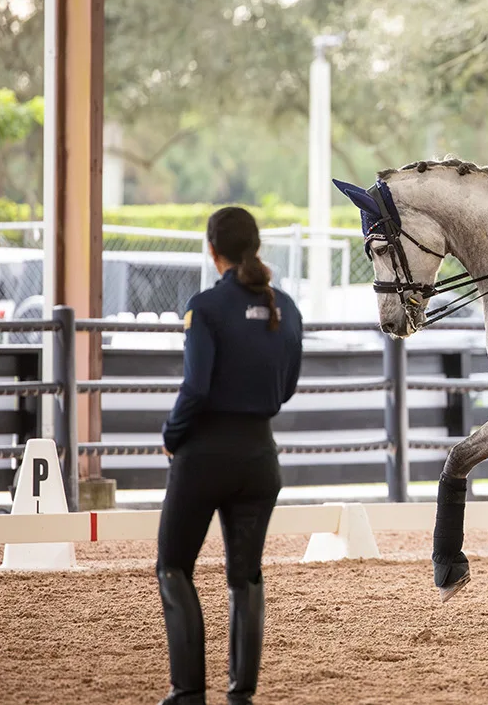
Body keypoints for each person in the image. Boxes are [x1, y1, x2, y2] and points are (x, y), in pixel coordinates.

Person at [156, 207, 303, 705]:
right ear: (255, 246)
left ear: (211, 248)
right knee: (246, 575)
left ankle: (188, 693)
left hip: (205, 456)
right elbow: (286, 389)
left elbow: (196, 386)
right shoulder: (286, 308)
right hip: (261, 457)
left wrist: (172, 433)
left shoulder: (206, 308)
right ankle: (241, 695)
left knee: (175, 566)